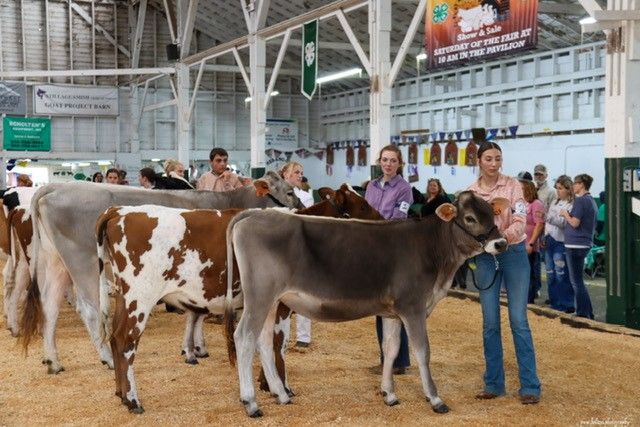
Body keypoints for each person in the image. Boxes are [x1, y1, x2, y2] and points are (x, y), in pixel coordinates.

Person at [468, 141, 541, 405]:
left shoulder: (514, 186)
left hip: (514, 255)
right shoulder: (470, 193)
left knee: (519, 320)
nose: (494, 163)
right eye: (488, 158)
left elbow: (521, 222)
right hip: (486, 259)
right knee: (489, 324)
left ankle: (530, 386)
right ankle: (494, 384)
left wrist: (502, 240)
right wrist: (482, 245)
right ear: (479, 160)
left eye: (498, 158)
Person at [365, 144, 413, 375]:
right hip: (372, 248)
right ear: (379, 161)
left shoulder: (405, 189)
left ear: (399, 164)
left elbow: (399, 218)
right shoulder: (371, 187)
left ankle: (399, 360)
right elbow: (364, 214)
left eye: (393, 161)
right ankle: (386, 358)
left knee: (396, 305)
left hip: (393, 249)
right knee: (378, 303)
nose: (388, 164)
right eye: (385, 160)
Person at [280, 162, 315, 348]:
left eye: (301, 173)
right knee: (281, 295)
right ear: (285, 174)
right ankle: (282, 335)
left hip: (300, 247)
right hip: (280, 249)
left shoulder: (306, 197)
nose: (299, 176)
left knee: (302, 292)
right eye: (295, 172)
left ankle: (303, 336)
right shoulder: (276, 195)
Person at [560, 173, 597, 319]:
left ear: (581, 184)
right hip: (583, 243)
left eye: (575, 183)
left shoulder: (581, 201)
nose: (573, 186)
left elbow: (575, 223)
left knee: (576, 282)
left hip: (575, 244)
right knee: (578, 281)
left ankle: (582, 313)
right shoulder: (591, 201)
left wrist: (565, 214)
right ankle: (587, 312)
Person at [544, 175, 575, 313]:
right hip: (550, 239)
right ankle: (554, 302)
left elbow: (563, 223)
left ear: (568, 189)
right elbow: (551, 220)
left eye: (561, 188)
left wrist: (549, 218)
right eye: (557, 188)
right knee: (550, 273)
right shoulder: (555, 202)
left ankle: (566, 303)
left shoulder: (572, 204)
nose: (558, 191)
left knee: (561, 273)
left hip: (560, 241)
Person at [520, 179, 545, 304]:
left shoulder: (536, 204)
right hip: (520, 243)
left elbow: (539, 224)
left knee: (529, 273)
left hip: (529, 244)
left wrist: (531, 242)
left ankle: (530, 298)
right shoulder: (522, 204)